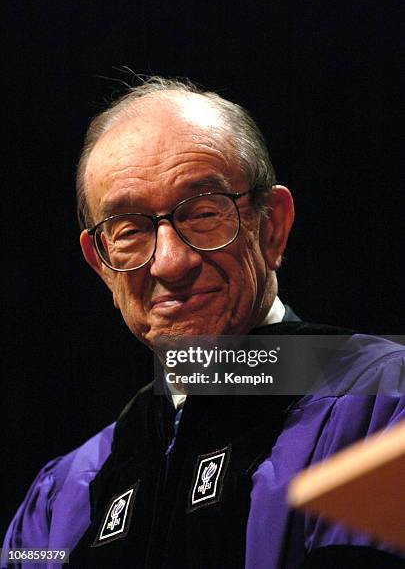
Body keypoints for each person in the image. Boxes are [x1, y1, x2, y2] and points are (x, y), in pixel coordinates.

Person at [3, 77, 405, 568]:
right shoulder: (59, 502)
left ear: (272, 226)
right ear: (102, 264)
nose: (170, 263)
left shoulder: (381, 414)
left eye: (203, 213)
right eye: (129, 229)